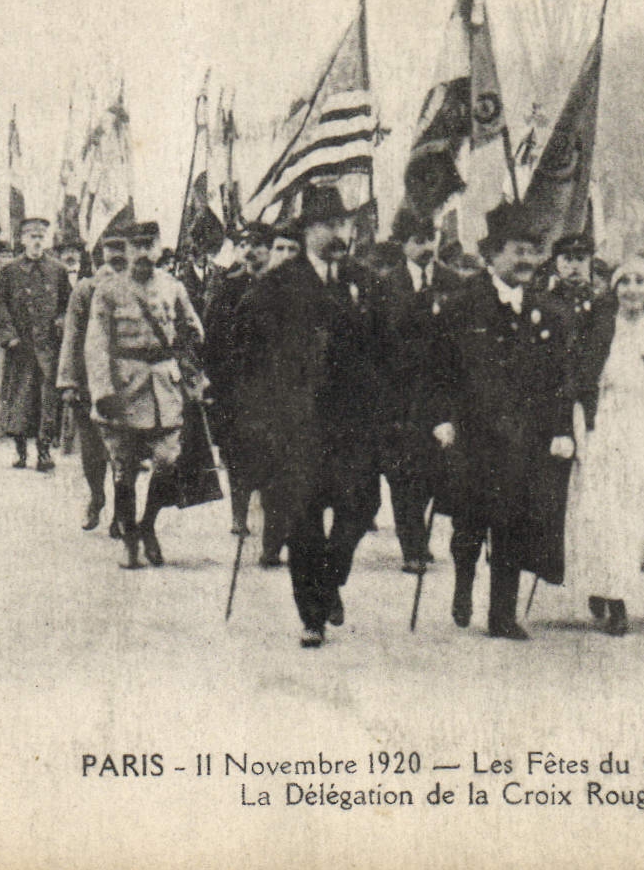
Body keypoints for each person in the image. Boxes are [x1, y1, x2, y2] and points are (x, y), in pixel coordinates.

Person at [230, 189, 386, 647]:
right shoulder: (277, 286)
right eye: (329, 225)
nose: (340, 234)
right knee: (303, 517)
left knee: (361, 507)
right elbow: (245, 352)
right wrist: (257, 414)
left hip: (352, 424)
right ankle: (312, 614)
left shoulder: (363, 280)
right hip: (296, 426)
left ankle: (331, 578)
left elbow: (384, 348)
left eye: (344, 225)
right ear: (307, 231)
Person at [431, 201, 577, 640]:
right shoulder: (462, 306)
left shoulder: (550, 312)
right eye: (518, 250)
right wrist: (441, 418)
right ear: (493, 254)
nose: (528, 260)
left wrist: (561, 430)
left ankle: (502, 615)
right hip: (474, 434)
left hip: (525, 438)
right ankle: (462, 581)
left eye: (534, 251)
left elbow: (560, 380)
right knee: (471, 522)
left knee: (513, 522)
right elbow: (439, 370)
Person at [565, 257, 644, 637]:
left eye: (640, 282)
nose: (632, 289)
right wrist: (584, 432)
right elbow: (582, 382)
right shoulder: (599, 328)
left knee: (636, 515)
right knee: (604, 514)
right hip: (607, 425)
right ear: (614, 290)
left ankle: (614, 586)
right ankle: (616, 600)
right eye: (624, 282)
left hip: (642, 427)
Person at [84, 222, 203, 568]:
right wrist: (102, 390)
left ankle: (148, 524)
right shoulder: (108, 290)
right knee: (124, 469)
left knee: (167, 460)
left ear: (159, 247)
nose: (142, 253)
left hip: (165, 388)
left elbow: (194, 329)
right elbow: (96, 344)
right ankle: (129, 538)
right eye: (135, 246)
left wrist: (185, 355)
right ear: (126, 249)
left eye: (149, 245)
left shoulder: (173, 286)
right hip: (124, 390)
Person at [380, 209, 463, 572]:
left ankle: (419, 535)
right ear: (403, 244)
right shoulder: (385, 284)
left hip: (440, 391)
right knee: (403, 473)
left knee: (431, 471)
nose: (427, 246)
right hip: (399, 396)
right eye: (418, 240)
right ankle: (412, 544)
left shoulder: (454, 282)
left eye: (431, 238)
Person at [200, 222, 273, 539]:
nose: (250, 251)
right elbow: (213, 335)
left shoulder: (284, 285)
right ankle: (239, 514)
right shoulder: (228, 286)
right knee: (238, 450)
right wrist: (215, 380)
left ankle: (271, 520)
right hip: (237, 383)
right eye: (244, 245)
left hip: (275, 383)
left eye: (258, 245)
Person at [57, 237, 127, 533]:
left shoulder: (135, 290)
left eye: (122, 262)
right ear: (98, 262)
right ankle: (97, 496)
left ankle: (122, 513)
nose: (116, 269)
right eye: (110, 262)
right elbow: (72, 337)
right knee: (92, 449)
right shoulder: (85, 291)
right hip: (89, 381)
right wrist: (69, 382)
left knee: (125, 451)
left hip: (126, 382)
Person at [0, 217, 72, 471]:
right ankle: (20, 450)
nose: (37, 241)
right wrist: (10, 337)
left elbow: (66, 306)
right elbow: (0, 308)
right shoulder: (9, 270)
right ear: (23, 239)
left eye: (41, 236)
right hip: (21, 348)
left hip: (48, 348)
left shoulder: (57, 270)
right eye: (32, 236)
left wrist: (61, 323)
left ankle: (45, 451)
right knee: (19, 399)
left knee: (47, 400)